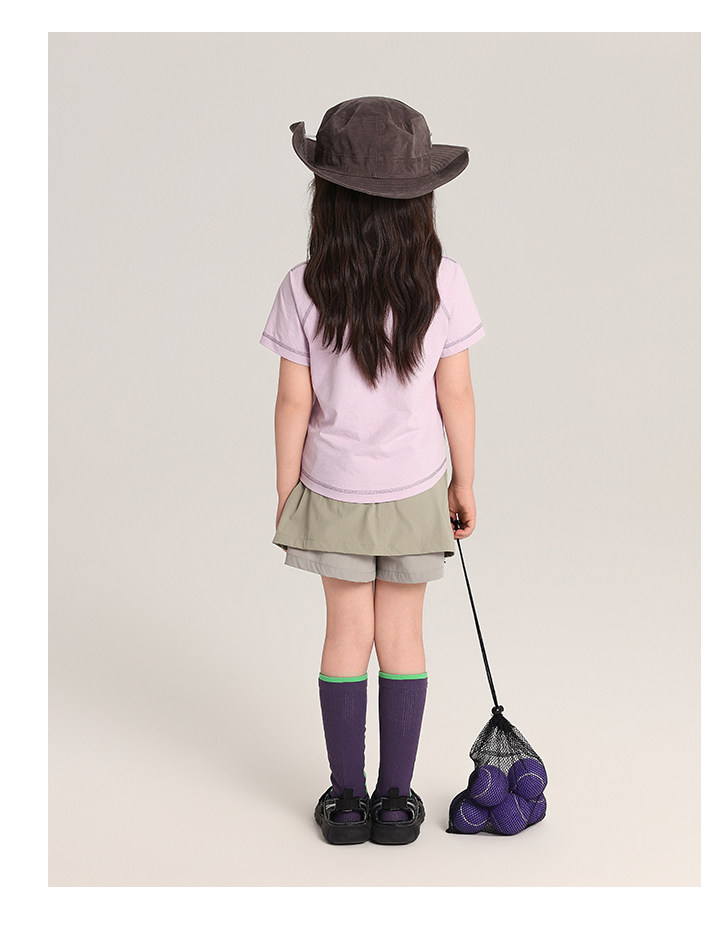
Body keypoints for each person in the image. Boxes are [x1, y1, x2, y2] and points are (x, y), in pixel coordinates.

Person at [259, 97, 486, 846]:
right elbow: (456, 394)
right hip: (417, 486)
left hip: (331, 489)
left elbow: (293, 402)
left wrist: (287, 491)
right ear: (420, 199)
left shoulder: (303, 285)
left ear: (326, 197)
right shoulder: (443, 280)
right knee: (404, 639)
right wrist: (464, 482)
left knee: (344, 636)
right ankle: (395, 801)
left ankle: (346, 800)